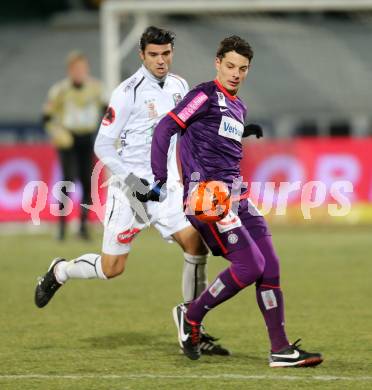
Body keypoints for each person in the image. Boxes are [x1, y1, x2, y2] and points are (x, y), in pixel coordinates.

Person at [35, 26, 230, 356]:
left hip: (166, 189)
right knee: (112, 269)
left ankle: (192, 325)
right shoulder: (128, 93)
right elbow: (103, 145)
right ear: (142, 55)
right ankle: (61, 270)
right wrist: (133, 182)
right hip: (130, 194)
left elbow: (190, 129)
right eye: (153, 54)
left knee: (197, 246)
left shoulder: (180, 86)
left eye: (166, 53)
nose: (160, 60)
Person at [149, 35, 323, 367]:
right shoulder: (204, 94)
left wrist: (243, 129)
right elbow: (165, 128)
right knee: (250, 266)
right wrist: (159, 176)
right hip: (208, 198)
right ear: (217, 63)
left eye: (242, 68)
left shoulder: (238, 105)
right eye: (230, 66)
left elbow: (214, 137)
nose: (235, 73)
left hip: (237, 195)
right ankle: (192, 315)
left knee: (270, 267)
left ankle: (280, 350)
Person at [43, 51, 105, 240]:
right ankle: (61, 228)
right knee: (68, 181)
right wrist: (57, 133)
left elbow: (108, 111)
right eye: (76, 68)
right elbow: (47, 116)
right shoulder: (60, 90)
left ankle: (83, 227)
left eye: (82, 68)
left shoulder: (96, 88)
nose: (80, 72)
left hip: (87, 138)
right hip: (67, 140)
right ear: (70, 70)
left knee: (87, 182)